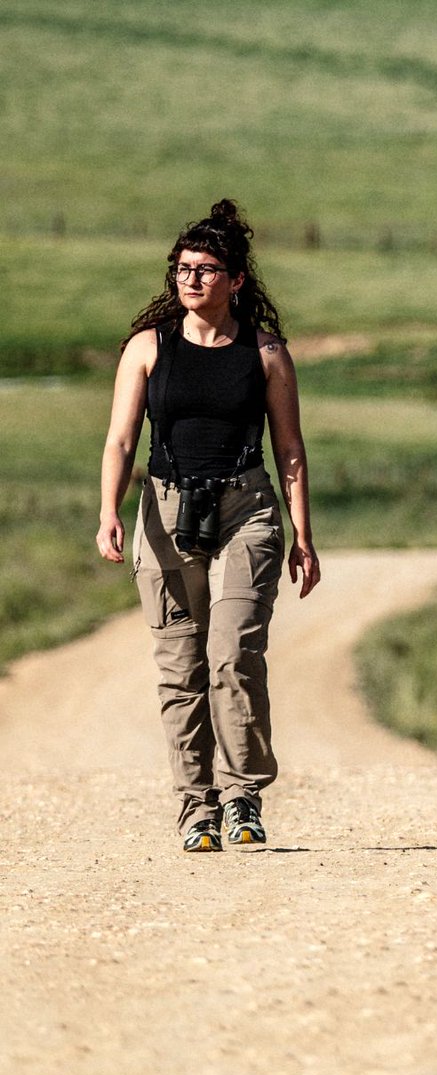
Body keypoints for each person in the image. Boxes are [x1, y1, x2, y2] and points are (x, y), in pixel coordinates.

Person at [96, 198, 320, 853]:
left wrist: (303, 538)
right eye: (182, 268)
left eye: (206, 269)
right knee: (180, 665)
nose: (191, 279)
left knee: (233, 653)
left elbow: (292, 452)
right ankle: (196, 807)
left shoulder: (266, 353)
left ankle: (242, 795)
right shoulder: (147, 348)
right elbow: (120, 439)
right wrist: (110, 511)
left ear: (236, 280)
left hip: (246, 507)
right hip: (164, 509)